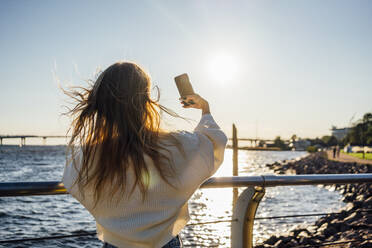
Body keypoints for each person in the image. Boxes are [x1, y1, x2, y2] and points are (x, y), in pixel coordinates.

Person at [62, 62, 228, 248]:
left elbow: (71, 179)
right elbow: (214, 142)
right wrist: (205, 110)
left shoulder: (90, 156)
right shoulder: (176, 145)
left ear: (101, 107)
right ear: (146, 101)